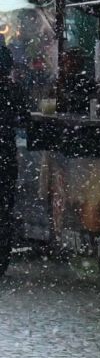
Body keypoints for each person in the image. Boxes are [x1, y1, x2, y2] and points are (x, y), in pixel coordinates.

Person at [0, 45, 24, 282]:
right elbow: (24, 118)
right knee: (4, 209)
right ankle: (1, 259)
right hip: (5, 155)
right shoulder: (12, 90)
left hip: (5, 154)